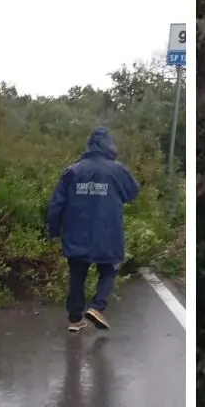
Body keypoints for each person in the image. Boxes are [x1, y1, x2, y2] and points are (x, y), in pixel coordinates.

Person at [47, 127, 140, 332]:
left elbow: (56, 205)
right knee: (109, 269)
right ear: (109, 145)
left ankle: (74, 320)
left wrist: (54, 231)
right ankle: (97, 307)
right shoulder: (117, 170)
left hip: (76, 234)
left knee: (77, 277)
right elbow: (132, 193)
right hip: (107, 232)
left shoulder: (73, 171)